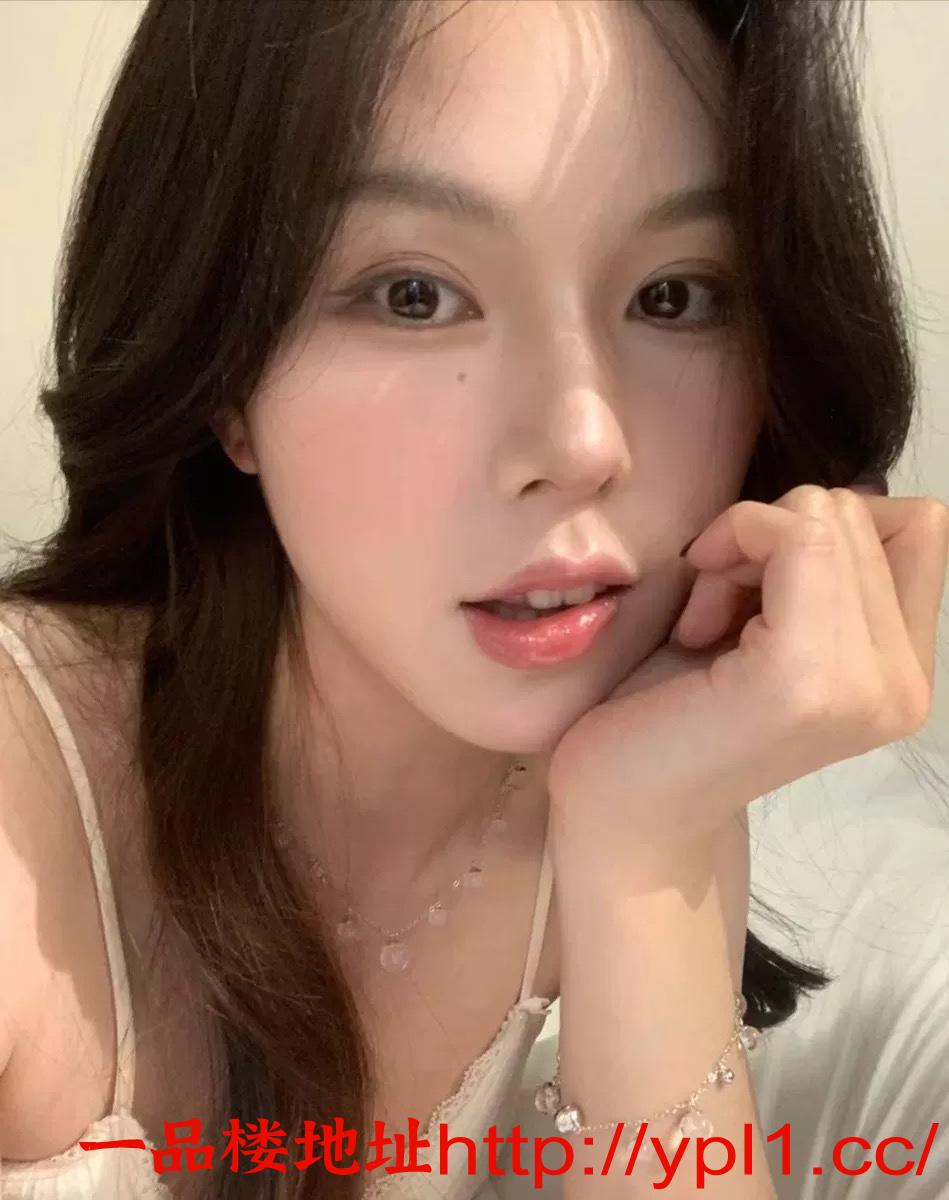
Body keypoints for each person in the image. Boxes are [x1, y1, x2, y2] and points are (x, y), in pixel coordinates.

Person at [0, 1, 945, 1198]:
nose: (582, 442)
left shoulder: (651, 777)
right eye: (413, 294)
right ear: (224, 372)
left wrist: (644, 844)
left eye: (673, 295)